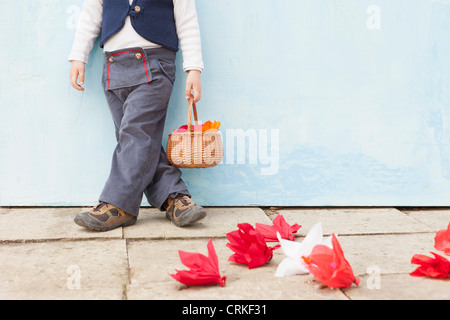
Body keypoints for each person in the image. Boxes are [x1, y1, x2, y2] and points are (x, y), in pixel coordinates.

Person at [68, 0, 206, 231]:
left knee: (136, 134)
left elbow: (187, 20)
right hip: (113, 68)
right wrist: (78, 57)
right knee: (137, 139)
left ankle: (118, 203)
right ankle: (173, 196)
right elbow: (90, 15)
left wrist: (194, 68)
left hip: (155, 65)